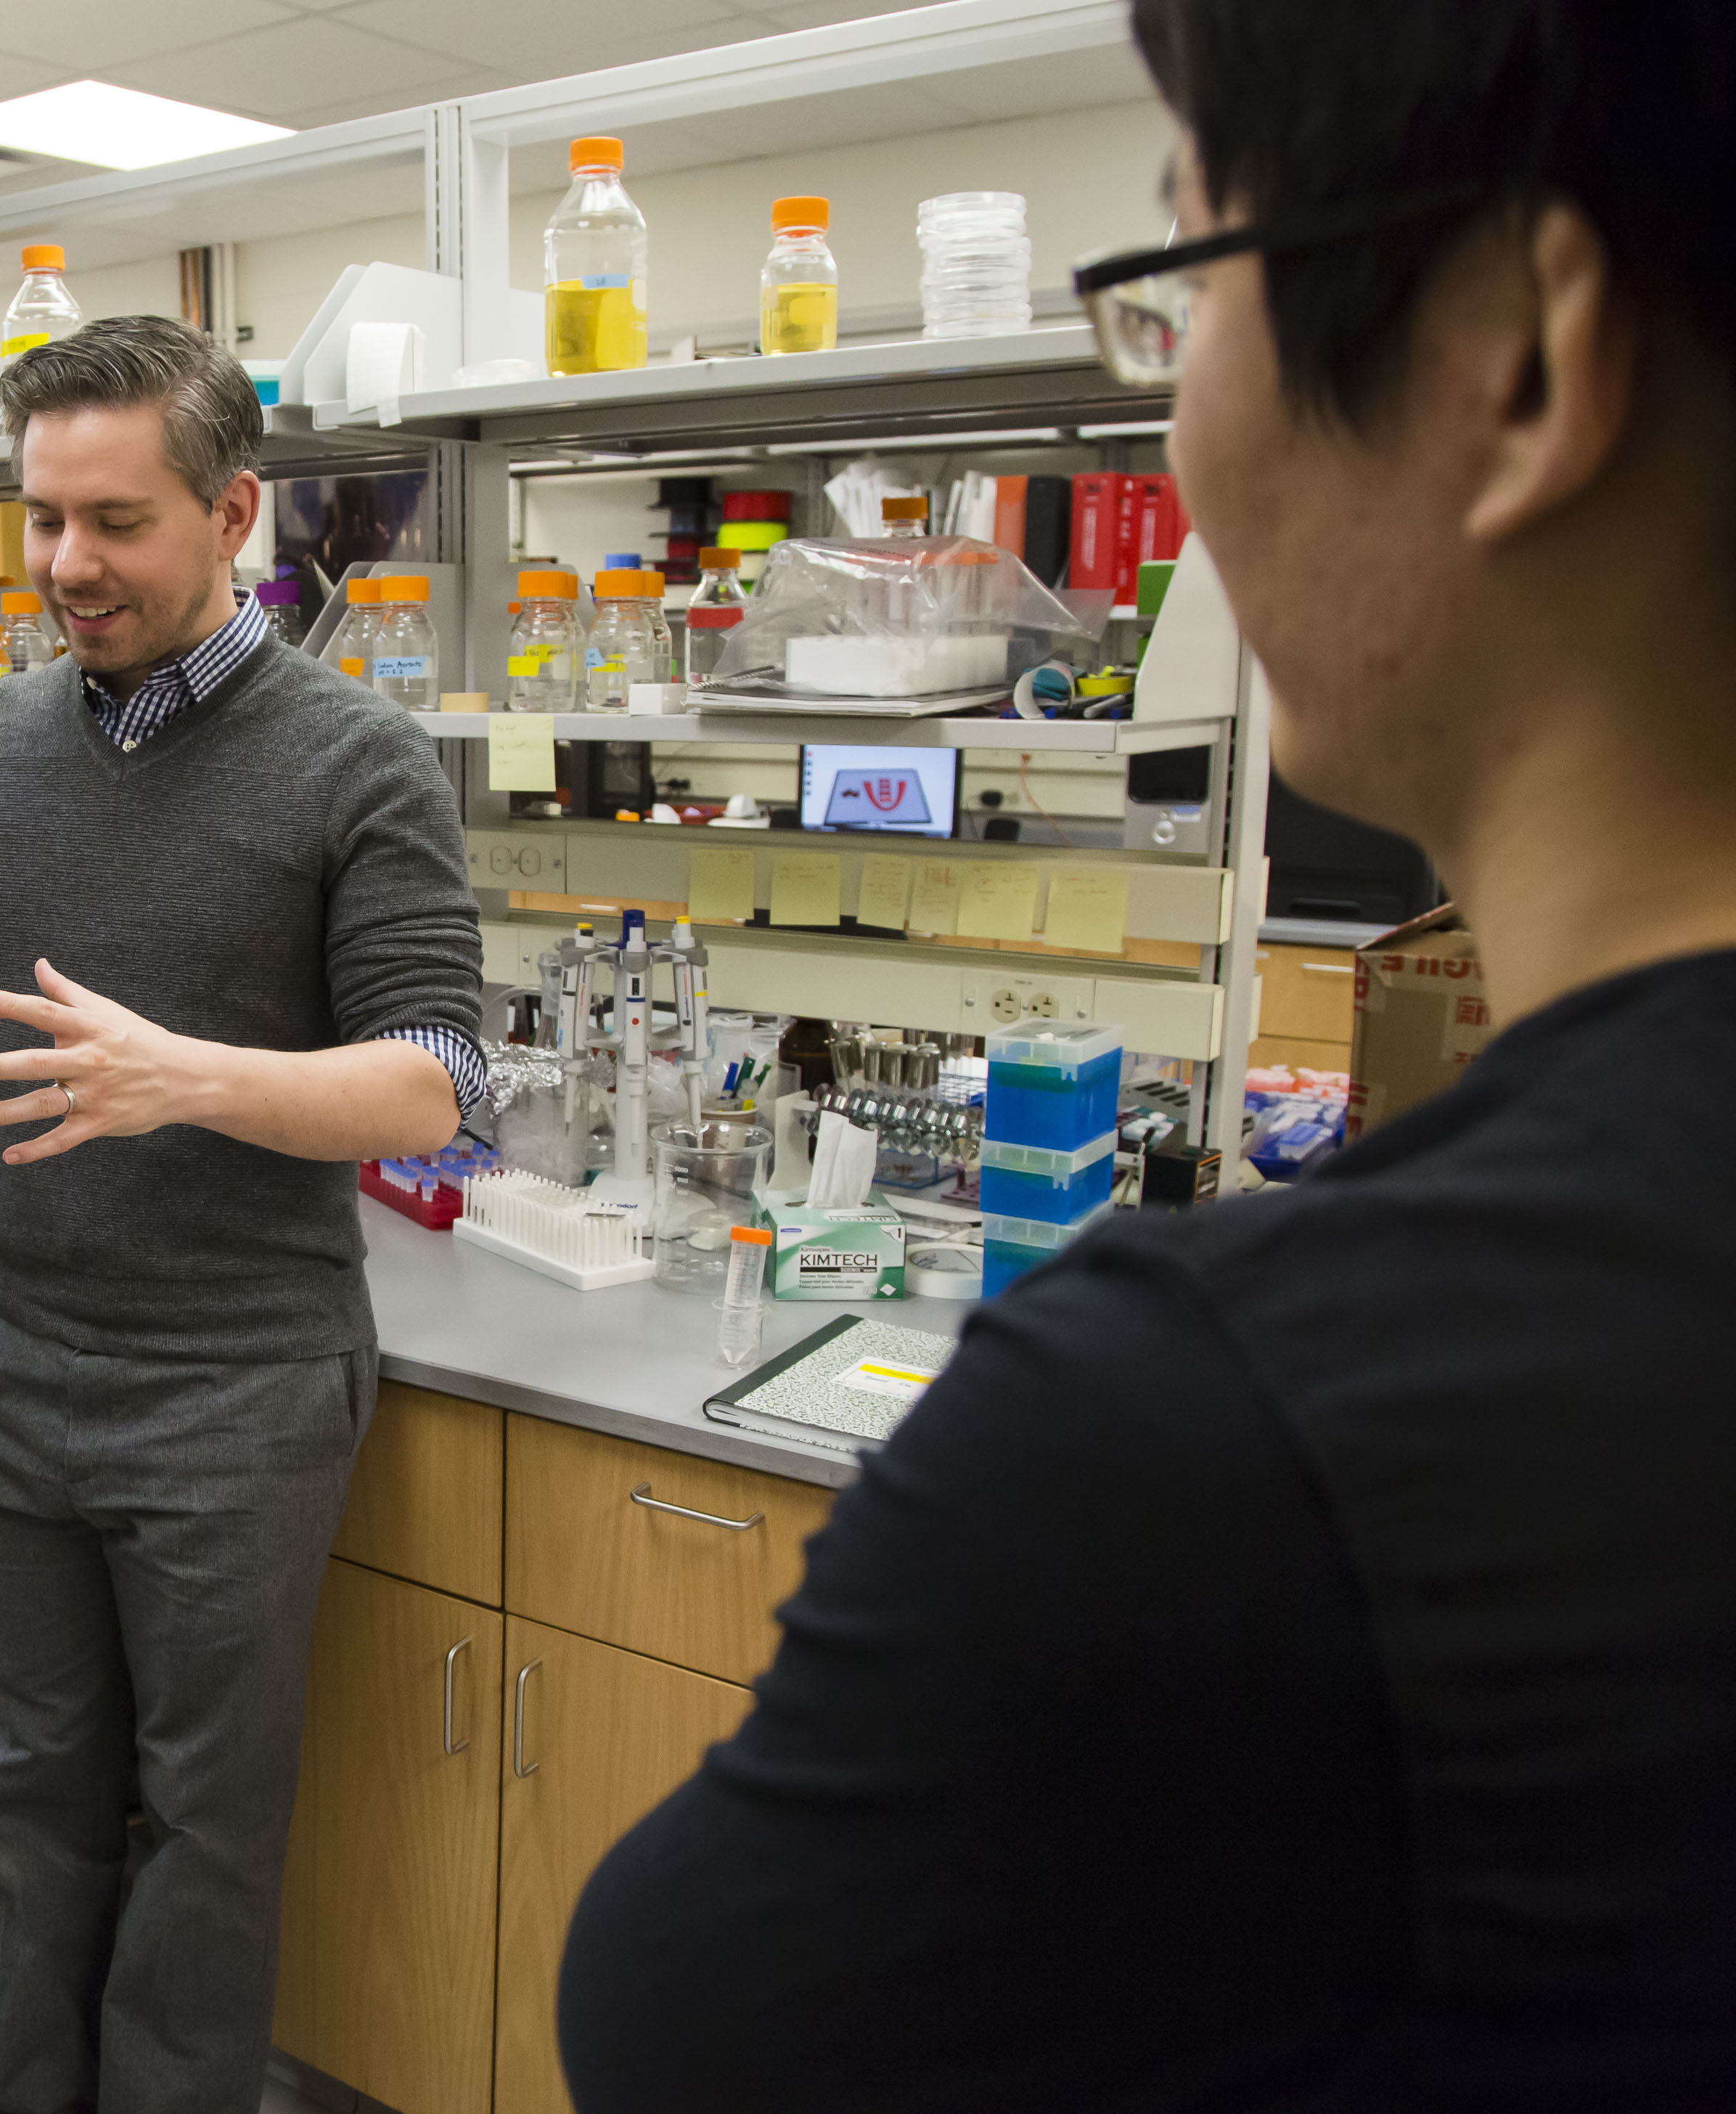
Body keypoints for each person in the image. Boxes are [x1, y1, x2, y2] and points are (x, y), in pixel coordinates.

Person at [557, 2, 1736, 2106]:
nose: (1181, 442)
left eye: (1191, 290)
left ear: (1521, 362)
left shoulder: (1212, 1443)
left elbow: (671, 2037)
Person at [0, 314, 486, 2112]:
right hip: (5, 1364)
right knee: (31, 1788)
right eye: (42, 518)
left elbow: (437, 1080)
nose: (69, 564)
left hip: (237, 1384)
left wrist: (190, 1076)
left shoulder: (356, 759)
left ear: (233, 513)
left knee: (210, 1828)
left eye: (117, 521)